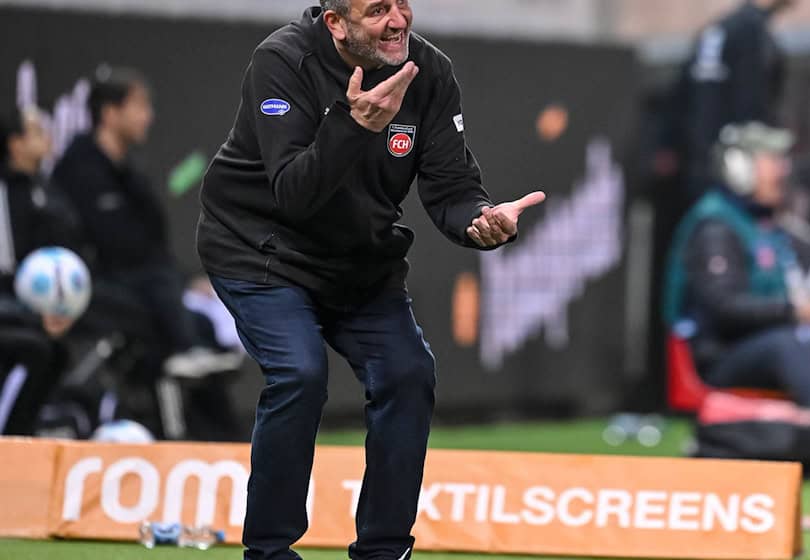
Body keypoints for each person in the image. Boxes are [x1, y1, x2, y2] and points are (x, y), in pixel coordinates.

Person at [197, 2, 545, 559]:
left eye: (403, 4)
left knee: (409, 374)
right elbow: (294, 193)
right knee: (300, 374)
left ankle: (384, 552)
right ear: (336, 23)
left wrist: (480, 219)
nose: (398, 20)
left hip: (359, 261)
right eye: (377, 9)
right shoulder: (282, 61)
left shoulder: (429, 72)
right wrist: (352, 126)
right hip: (262, 251)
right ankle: (268, 552)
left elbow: (451, 188)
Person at [52, 66, 240, 380]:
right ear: (110, 113)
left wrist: (184, 281)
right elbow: (118, 246)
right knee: (169, 311)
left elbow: (151, 244)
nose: (148, 116)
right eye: (139, 106)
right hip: (95, 286)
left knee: (205, 324)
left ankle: (209, 421)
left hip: (145, 286)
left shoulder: (131, 172)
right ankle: (183, 351)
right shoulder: (77, 168)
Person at [664, 122, 810, 407]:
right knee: (784, 347)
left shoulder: (766, 225)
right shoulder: (716, 226)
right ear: (739, 168)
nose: (784, 170)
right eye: (774, 160)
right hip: (719, 356)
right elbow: (724, 306)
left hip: (768, 342)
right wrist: (799, 311)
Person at [0, 106, 79, 435]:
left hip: (27, 307)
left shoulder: (47, 190)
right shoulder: (6, 194)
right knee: (34, 347)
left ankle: (25, 433)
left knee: (57, 351)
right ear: (15, 143)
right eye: (35, 131)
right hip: (14, 311)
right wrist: (33, 317)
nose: (46, 137)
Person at [663, 0, 795, 197]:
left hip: (698, 161)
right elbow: (752, 107)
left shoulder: (718, 29)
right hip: (736, 168)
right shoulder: (751, 31)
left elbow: (681, 96)